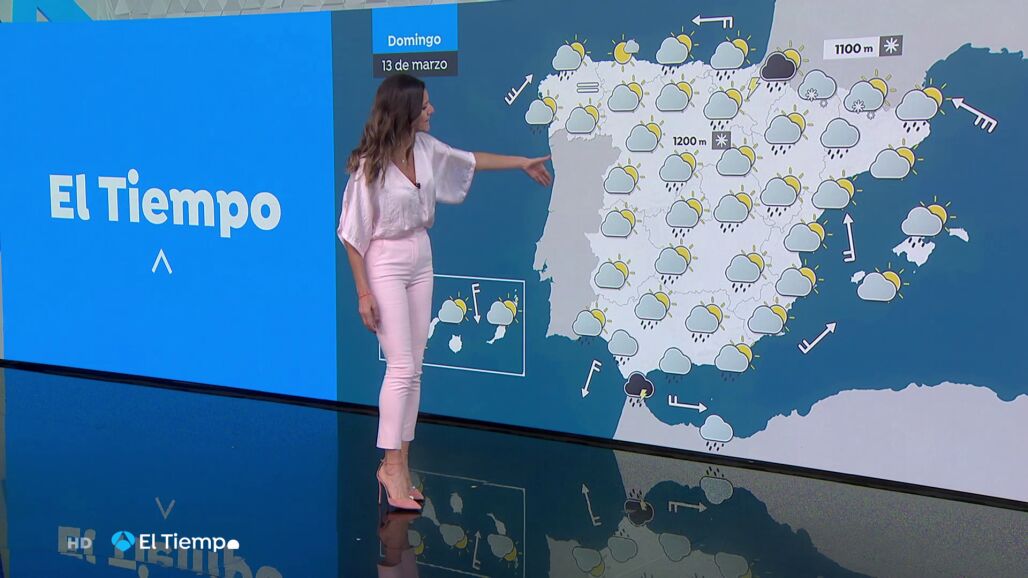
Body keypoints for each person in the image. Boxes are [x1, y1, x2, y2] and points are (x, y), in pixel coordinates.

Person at [337, 73, 552, 511]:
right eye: (425, 105)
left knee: (415, 368)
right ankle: (390, 465)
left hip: (421, 254)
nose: (432, 110)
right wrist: (363, 294)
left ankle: (402, 461)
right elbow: (351, 235)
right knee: (400, 366)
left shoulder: (425, 148)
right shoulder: (369, 166)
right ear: (405, 111)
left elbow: (470, 160)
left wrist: (521, 163)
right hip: (385, 259)